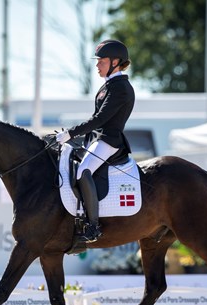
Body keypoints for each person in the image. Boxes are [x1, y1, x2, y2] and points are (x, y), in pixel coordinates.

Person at [56, 39, 135, 243]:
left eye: (102, 61)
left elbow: (100, 119)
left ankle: (93, 226)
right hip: (97, 138)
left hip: (109, 140)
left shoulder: (120, 88)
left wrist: (71, 133)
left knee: (83, 171)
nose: (97, 65)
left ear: (115, 62)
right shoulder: (108, 86)